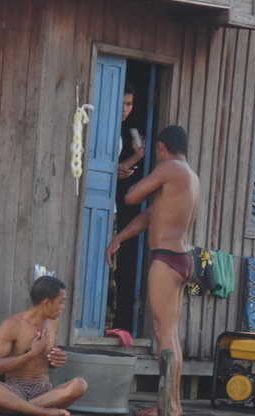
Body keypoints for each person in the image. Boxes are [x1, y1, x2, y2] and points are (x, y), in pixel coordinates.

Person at [105, 125, 199, 416]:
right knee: (169, 334)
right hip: (182, 258)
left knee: (162, 334)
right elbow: (149, 215)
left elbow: (133, 197)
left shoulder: (170, 167)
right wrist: (119, 239)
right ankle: (174, 404)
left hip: (167, 259)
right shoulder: (188, 176)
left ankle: (168, 405)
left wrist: (125, 172)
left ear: (161, 147)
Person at [0, 276, 87, 416]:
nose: (63, 307)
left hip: (45, 392)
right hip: (15, 390)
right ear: (46, 303)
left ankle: (11, 409)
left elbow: (49, 360)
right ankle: (43, 412)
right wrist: (32, 354)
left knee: (80, 385)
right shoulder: (13, 325)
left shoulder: (53, 324)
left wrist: (56, 360)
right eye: (61, 302)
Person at [111, 81, 146, 332]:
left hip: (111, 208)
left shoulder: (122, 131)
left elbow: (117, 169)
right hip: (102, 206)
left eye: (129, 104)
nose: (125, 109)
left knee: (112, 261)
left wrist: (137, 155)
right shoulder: (104, 128)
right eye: (122, 103)